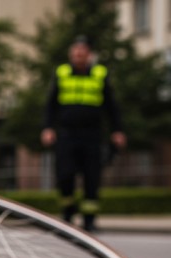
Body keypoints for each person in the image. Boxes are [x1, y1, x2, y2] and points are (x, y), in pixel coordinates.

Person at [41, 36, 126, 232]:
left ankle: (89, 221)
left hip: (92, 135)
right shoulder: (62, 73)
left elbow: (112, 106)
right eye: (75, 51)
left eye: (82, 51)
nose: (78, 55)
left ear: (89, 54)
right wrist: (47, 127)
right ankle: (68, 216)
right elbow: (50, 105)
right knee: (65, 175)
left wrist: (117, 130)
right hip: (67, 135)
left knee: (92, 178)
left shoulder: (99, 74)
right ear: (71, 54)